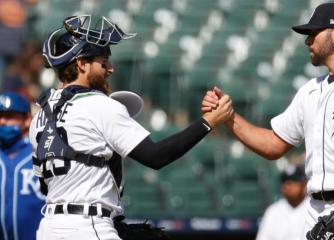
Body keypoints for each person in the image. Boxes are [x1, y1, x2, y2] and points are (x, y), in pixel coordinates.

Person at [202, 2, 334, 239]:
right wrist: (229, 117)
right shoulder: (310, 91)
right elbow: (274, 145)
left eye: (314, 33)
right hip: (317, 211)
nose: (307, 41)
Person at [29, 15, 233, 240]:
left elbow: (46, 185)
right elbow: (156, 156)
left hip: (49, 227)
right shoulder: (99, 104)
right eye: (103, 61)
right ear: (81, 63)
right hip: (87, 226)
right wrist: (208, 123)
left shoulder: (40, 114)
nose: (111, 69)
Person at [0, 92, 44, 240]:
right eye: (0, 116)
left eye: (10, 116)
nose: (3, 121)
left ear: (27, 120)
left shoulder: (41, 155)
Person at [256, 164, 308, 240]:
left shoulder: (314, 207)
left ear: (303, 184)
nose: (287, 186)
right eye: (284, 182)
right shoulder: (273, 211)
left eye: (293, 181)